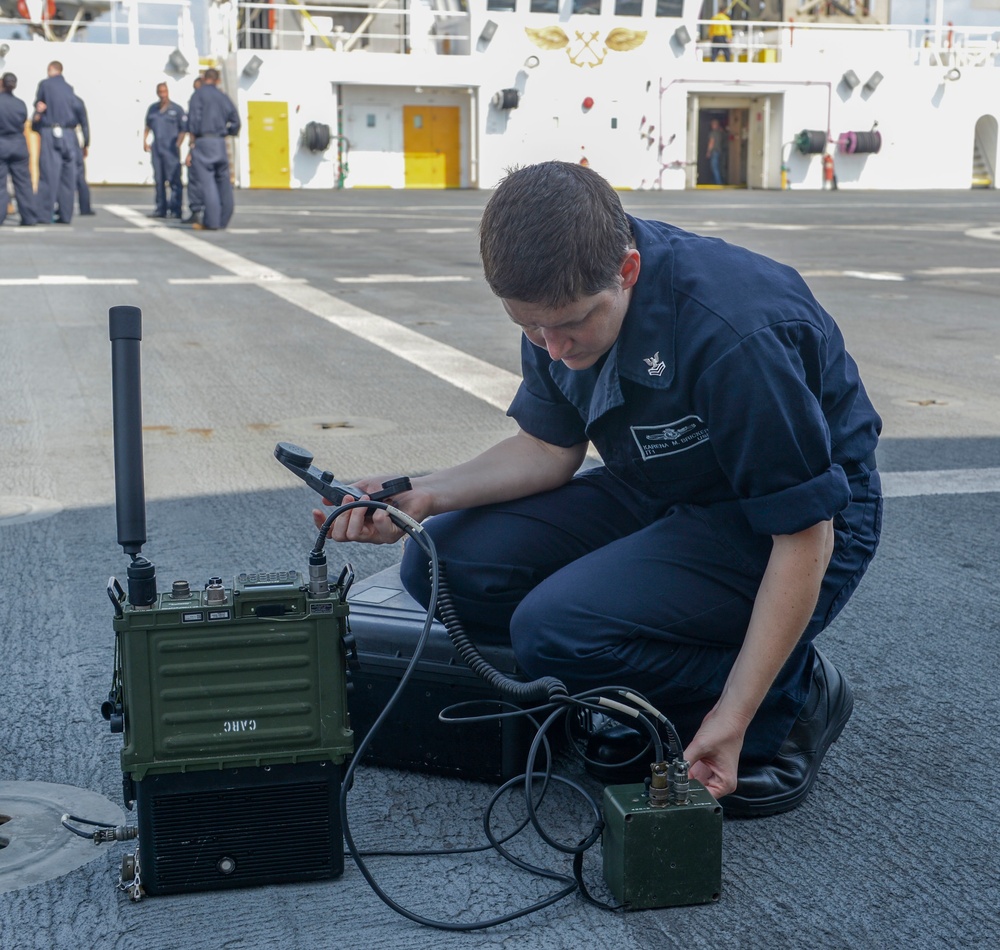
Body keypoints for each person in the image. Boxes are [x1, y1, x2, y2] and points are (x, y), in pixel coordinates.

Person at [316, 161, 883, 818]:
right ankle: (637, 671)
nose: (552, 348)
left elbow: (805, 533)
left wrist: (734, 714)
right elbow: (549, 450)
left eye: (570, 326)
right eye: (530, 329)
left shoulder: (735, 333)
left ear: (629, 272)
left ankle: (791, 695)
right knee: (438, 562)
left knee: (557, 632)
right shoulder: (557, 300)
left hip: (792, 524)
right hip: (661, 481)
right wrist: (421, 494)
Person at [185, 68, 239, 231]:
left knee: (208, 183)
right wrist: (228, 132)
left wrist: (192, 143)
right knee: (224, 183)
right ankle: (224, 219)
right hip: (220, 143)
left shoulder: (198, 95)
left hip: (204, 142)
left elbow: (193, 123)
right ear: (217, 80)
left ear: (204, 78)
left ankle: (212, 222)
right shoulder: (223, 96)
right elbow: (236, 121)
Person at [32, 60, 81, 225]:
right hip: (69, 134)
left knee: (48, 174)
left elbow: (39, 104)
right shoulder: (69, 88)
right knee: (68, 176)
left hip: (50, 131)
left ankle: (44, 215)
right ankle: (66, 215)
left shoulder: (45, 85)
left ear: (50, 69)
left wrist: (37, 115)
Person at [0, 72, 40, 226]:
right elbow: (24, 121)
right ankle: (29, 217)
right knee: (23, 183)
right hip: (18, 145)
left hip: (1, 145)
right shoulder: (20, 104)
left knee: (0, 184)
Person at [143, 81, 185, 219]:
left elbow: (183, 130)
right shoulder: (153, 109)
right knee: (159, 180)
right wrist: (144, 141)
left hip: (171, 150)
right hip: (157, 150)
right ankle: (160, 209)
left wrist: (178, 144)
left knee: (174, 180)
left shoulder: (176, 109)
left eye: (164, 92)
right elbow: (147, 126)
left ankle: (176, 210)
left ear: (168, 92)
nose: (162, 95)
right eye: (160, 92)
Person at [181, 76, 204, 225]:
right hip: (212, 147)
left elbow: (193, 130)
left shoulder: (197, 105)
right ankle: (200, 211)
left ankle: (197, 211)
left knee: (196, 180)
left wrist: (191, 151)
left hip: (201, 146)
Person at [73, 93, 94, 216]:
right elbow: (84, 124)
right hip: (73, 138)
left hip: (57, 139)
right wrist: (86, 143)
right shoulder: (77, 101)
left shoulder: (52, 98)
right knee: (80, 176)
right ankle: (85, 207)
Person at [706, 117, 725, 186]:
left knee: (714, 168)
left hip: (714, 152)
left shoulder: (713, 133)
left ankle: (718, 182)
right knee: (718, 167)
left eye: (713, 124)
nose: (712, 126)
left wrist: (708, 152)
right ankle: (716, 181)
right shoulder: (720, 132)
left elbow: (711, 142)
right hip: (720, 152)